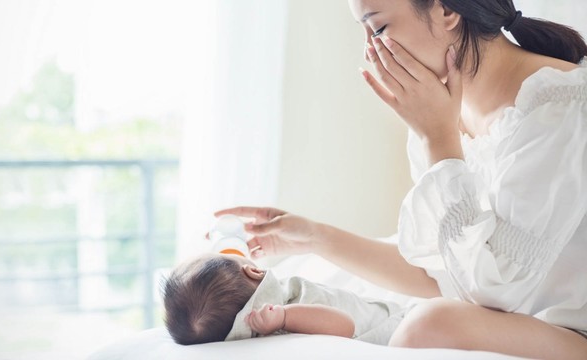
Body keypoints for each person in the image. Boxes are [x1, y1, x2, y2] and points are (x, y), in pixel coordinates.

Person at [214, 0, 587, 359]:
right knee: (317, 280)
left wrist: (439, 140)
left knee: (428, 325)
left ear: (447, 10)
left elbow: (495, 291)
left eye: (377, 27)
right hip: (522, 323)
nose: (369, 51)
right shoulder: (440, 113)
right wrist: (314, 236)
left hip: (574, 332)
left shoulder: (558, 104)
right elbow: (442, 275)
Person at [161, 253, 406, 345]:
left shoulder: (247, 328)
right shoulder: (285, 311)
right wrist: (285, 317)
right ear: (253, 271)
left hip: (383, 312)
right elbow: (345, 326)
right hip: (392, 326)